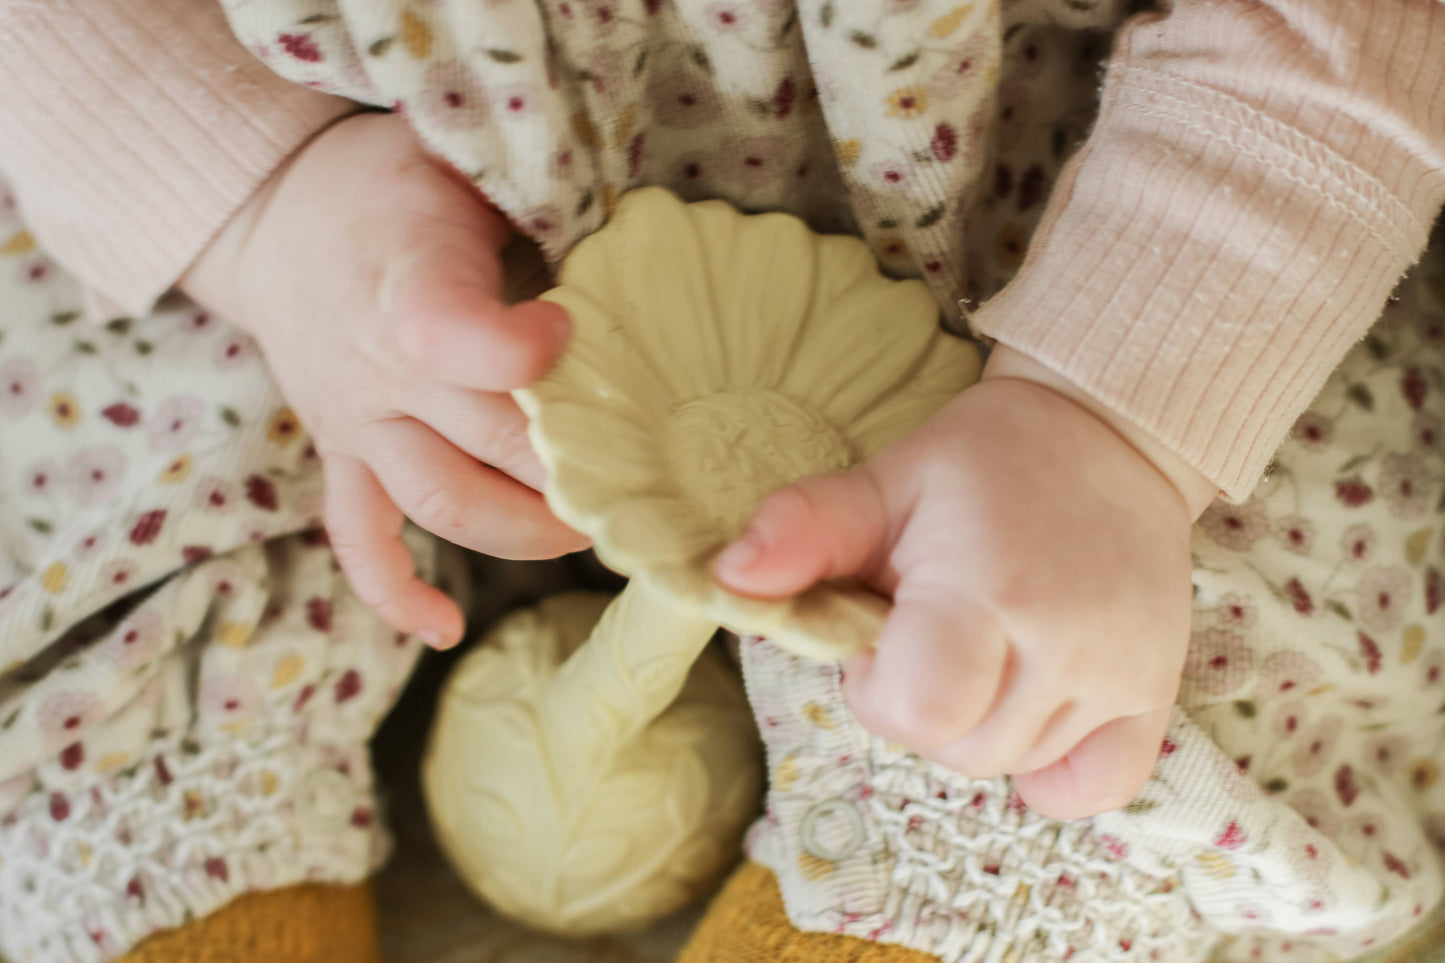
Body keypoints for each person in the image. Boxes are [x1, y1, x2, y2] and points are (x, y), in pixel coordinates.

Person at [0, 0, 1441, 961]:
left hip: (1051, 254)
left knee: (1099, 674)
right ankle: (161, 816)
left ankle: (920, 888)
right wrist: (261, 198)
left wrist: (1113, 418)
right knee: (103, 453)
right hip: (368, 215)